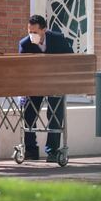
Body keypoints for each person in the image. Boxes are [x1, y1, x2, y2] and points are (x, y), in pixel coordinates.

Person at [19, 14, 73, 162]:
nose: (32, 35)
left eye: (35, 32)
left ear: (44, 30)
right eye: (29, 31)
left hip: (55, 83)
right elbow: (22, 68)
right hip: (34, 84)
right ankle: (31, 150)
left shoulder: (58, 39)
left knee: (55, 115)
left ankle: (52, 151)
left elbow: (70, 58)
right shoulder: (25, 44)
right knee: (29, 114)